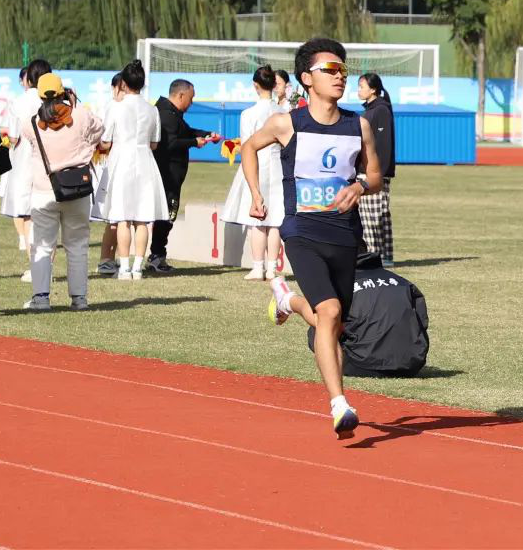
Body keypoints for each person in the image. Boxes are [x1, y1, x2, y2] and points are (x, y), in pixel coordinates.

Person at [241, 37, 382, 438]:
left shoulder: (359, 125)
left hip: (345, 234)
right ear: (307, 78)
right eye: (330, 70)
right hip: (301, 231)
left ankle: (287, 301)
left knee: (330, 322)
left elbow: (375, 175)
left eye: (343, 70)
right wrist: (255, 194)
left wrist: (359, 186)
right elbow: (249, 148)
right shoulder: (287, 123)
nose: (340, 77)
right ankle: (339, 404)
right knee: (331, 312)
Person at [21, 72, 104, 311]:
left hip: (44, 190)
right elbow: (99, 129)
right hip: (78, 189)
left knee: (42, 246)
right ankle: (79, 299)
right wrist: (75, 103)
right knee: (77, 245)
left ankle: (41, 298)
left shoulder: (30, 124)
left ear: (39, 95)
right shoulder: (81, 115)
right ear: (63, 92)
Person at [95, 60, 169, 280]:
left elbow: (105, 141)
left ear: (123, 84)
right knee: (143, 218)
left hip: (122, 160)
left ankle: (124, 267)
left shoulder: (116, 107)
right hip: (145, 160)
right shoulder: (152, 109)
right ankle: (137, 267)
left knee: (123, 217)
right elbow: (154, 143)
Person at [222, 64, 286, 281]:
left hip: (255, 164)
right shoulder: (283, 112)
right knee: (275, 219)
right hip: (278, 165)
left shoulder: (249, 113)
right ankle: (272, 268)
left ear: (255, 85)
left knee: (258, 219)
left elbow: (246, 145)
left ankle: (258, 267)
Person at [149, 79, 219, 273]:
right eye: (191, 98)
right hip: (168, 175)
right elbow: (170, 143)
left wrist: (207, 134)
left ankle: (157, 255)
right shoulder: (166, 115)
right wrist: (194, 142)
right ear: (181, 95)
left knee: (166, 216)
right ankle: (156, 256)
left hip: (172, 175)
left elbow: (186, 132)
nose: (192, 102)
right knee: (167, 216)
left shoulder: (172, 113)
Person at [1, 62, 50, 282]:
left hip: (24, 163)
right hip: (50, 163)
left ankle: (37, 268)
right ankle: (48, 266)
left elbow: (12, 137)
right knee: (48, 217)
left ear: (28, 79)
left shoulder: (18, 102)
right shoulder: (53, 101)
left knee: (29, 217)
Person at [356, 72, 395, 267]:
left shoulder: (381, 110)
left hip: (374, 173)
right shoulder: (371, 110)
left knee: (373, 217)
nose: (358, 90)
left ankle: (375, 256)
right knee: (378, 216)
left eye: (361, 86)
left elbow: (383, 145)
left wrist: (379, 172)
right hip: (369, 171)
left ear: (373, 89)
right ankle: (384, 256)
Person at [96, 72, 125, 277]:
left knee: (119, 217)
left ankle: (112, 259)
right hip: (109, 165)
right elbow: (104, 140)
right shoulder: (111, 107)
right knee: (114, 217)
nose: (123, 93)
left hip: (122, 164)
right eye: (121, 88)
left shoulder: (127, 107)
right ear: (114, 88)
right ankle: (106, 259)